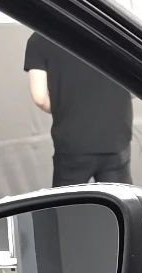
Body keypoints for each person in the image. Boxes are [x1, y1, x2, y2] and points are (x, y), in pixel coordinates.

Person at [23, 31, 135, 186]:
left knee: (68, 201)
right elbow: (136, 87)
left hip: (73, 143)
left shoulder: (40, 38)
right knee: (119, 199)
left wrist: (63, 107)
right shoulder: (115, 33)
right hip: (116, 139)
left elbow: (40, 98)